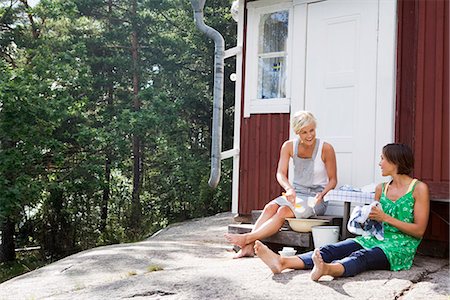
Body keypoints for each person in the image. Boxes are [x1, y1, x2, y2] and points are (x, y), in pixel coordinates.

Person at [254, 143, 430, 281]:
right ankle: (282, 262)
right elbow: (376, 226)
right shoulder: (381, 188)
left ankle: (328, 269)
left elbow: (419, 231)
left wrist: (385, 218)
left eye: (383, 158)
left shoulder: (419, 188)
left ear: (396, 161)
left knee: (362, 257)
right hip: (375, 239)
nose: (379, 163)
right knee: (332, 249)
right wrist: (366, 217)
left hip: (400, 248)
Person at [225, 111, 337, 258]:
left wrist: (322, 194)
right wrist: (289, 189)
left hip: (315, 199)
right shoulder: (289, 146)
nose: (309, 135)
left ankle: (248, 240)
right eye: (304, 132)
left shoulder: (326, 148)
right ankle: (249, 248)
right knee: (270, 207)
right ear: (297, 132)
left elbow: (333, 180)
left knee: (283, 211)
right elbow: (280, 173)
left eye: (312, 130)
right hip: (295, 194)